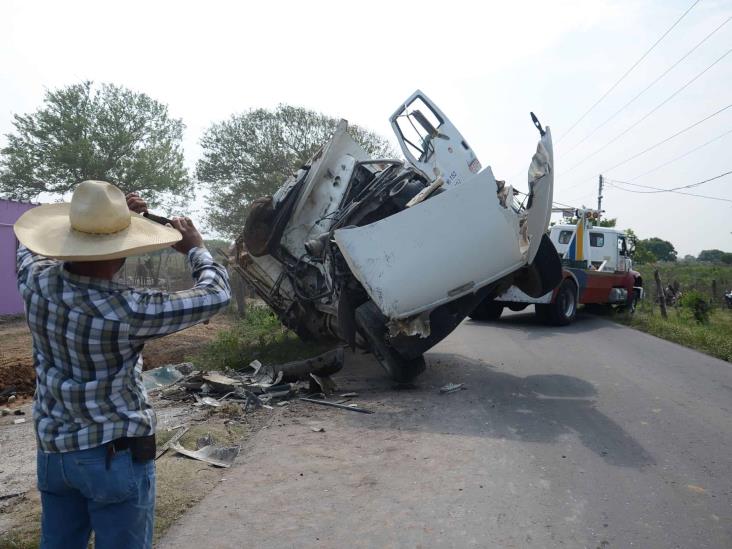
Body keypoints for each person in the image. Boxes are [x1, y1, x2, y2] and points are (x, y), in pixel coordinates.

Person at [13, 180, 231, 549]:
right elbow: (215, 293)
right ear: (123, 253)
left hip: (54, 455)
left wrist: (102, 217)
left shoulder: (35, 281)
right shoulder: (130, 309)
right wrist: (196, 249)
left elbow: (25, 244)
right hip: (113, 457)